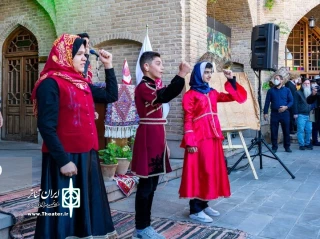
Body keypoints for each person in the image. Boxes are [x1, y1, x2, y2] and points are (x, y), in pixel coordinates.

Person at [31, 34, 118, 239]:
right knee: (64, 212)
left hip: (86, 155)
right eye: (79, 54)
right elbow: (46, 126)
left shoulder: (81, 82)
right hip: (65, 158)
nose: (84, 59)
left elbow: (110, 96)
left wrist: (108, 66)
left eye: (85, 55)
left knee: (82, 211)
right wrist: (63, 161)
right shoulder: (50, 84)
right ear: (64, 55)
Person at [131, 51, 191, 239]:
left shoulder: (152, 85)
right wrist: (180, 75)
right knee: (146, 186)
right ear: (146, 67)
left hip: (156, 138)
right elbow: (164, 95)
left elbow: (164, 93)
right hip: (148, 139)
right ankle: (141, 228)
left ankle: (145, 226)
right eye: (158, 63)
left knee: (152, 186)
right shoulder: (143, 87)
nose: (162, 67)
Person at [178, 62, 247, 223]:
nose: (209, 75)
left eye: (210, 72)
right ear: (197, 74)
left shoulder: (212, 92)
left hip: (213, 137)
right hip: (199, 138)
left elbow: (234, 97)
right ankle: (195, 209)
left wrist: (231, 80)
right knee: (201, 171)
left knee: (211, 170)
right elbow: (187, 119)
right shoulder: (190, 95)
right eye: (206, 72)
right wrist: (190, 141)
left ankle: (204, 203)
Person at [263, 74, 293, 153]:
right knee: (274, 131)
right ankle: (274, 147)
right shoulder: (271, 91)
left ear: (281, 80)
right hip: (274, 113)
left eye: (277, 79)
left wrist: (286, 107)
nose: (275, 80)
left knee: (286, 130)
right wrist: (265, 112)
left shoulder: (287, 90)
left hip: (285, 113)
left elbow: (291, 101)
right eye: (274, 79)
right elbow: (267, 102)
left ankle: (287, 147)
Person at [293, 78, 313, 150]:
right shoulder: (297, 93)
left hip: (310, 114)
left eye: (308, 83)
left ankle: (307, 143)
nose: (307, 85)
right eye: (305, 83)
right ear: (302, 84)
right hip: (301, 114)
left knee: (309, 130)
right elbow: (295, 103)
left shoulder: (311, 93)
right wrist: (295, 113)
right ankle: (301, 144)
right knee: (300, 130)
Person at [307, 76, 320, 146]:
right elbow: (309, 101)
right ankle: (315, 141)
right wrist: (313, 94)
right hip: (317, 111)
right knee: (315, 127)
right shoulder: (317, 89)